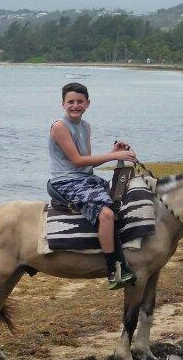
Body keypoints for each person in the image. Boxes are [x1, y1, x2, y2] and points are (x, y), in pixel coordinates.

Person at [48, 82, 138, 289]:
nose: (75, 105)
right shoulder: (59, 127)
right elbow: (77, 161)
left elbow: (87, 160)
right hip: (66, 180)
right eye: (70, 102)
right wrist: (114, 155)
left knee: (120, 200)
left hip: (85, 178)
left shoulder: (85, 126)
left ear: (88, 103)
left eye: (80, 102)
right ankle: (112, 270)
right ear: (63, 104)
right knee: (105, 214)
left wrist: (112, 151)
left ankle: (124, 255)